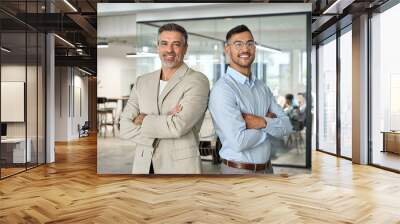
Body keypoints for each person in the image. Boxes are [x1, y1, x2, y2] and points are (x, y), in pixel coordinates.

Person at [119, 23, 210, 174]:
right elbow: (124, 128)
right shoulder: (142, 81)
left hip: (179, 167)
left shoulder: (197, 80)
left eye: (176, 44)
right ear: (158, 47)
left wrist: (143, 119)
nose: (169, 50)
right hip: (143, 165)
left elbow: (177, 127)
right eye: (164, 43)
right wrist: (165, 122)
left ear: (185, 48)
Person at [209, 25, 292, 174]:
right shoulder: (223, 90)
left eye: (250, 43)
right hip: (237, 172)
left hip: (268, 169)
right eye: (238, 44)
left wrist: (261, 122)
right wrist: (270, 126)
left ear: (254, 48)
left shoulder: (262, 87)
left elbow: (287, 126)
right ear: (227, 50)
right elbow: (238, 142)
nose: (245, 49)